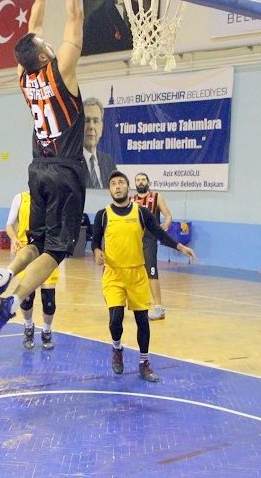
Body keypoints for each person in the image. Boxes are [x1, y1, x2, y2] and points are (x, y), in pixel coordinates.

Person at [0, 0, 86, 347]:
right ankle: (10, 300)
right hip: (66, 168)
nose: (51, 42)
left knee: (35, 241)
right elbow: (75, 17)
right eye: (45, 43)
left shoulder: (24, 75)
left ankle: (2, 276)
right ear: (44, 53)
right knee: (56, 250)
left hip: (37, 169)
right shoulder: (62, 70)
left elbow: (32, 27)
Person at [92, 171, 196, 382]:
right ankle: (117, 349)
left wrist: (180, 246)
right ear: (110, 190)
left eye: (121, 182)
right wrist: (96, 251)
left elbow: (160, 234)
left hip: (137, 274)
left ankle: (144, 362)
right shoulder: (103, 215)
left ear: (128, 188)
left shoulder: (141, 212)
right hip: (113, 275)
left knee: (142, 321)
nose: (117, 186)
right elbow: (94, 241)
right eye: (113, 184)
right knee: (115, 320)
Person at [6, 191, 59, 350]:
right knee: (27, 298)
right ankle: (28, 327)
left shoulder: (52, 196)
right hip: (26, 251)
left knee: (49, 300)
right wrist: (14, 239)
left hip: (48, 252)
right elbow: (9, 224)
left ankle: (47, 331)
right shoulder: (20, 198)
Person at [129, 172, 173, 320]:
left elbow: (168, 215)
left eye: (143, 179)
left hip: (149, 239)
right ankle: (134, 304)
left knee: (151, 272)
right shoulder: (131, 200)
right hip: (134, 239)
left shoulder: (156, 197)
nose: (140, 182)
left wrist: (166, 223)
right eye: (138, 180)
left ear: (148, 182)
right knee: (132, 271)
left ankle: (159, 308)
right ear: (135, 183)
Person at [83, 97, 117, 189]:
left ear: (101, 128)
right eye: (87, 121)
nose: (91, 126)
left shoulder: (108, 162)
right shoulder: (71, 163)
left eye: (96, 121)